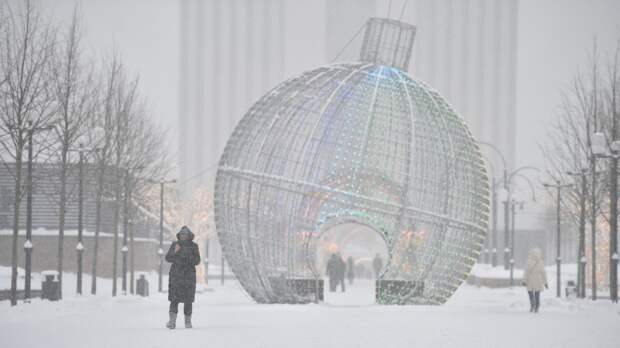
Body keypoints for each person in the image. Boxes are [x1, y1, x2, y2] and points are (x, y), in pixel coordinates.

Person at [165, 226, 201, 329]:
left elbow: (197, 261)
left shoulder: (194, 246)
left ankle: (188, 322)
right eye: (181, 234)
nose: (183, 236)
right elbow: (168, 258)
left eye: (185, 234)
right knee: (174, 299)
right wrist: (176, 253)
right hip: (176, 276)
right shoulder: (175, 245)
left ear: (189, 236)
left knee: (188, 300)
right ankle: (172, 321)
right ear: (179, 235)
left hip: (188, 277)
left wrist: (188, 257)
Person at [522, 248, 548, 313]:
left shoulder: (528, 261)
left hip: (530, 279)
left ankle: (532, 305)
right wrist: (545, 282)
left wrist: (524, 281)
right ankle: (537, 306)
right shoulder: (541, 262)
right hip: (538, 280)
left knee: (530, 293)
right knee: (537, 294)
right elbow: (543, 273)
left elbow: (526, 272)